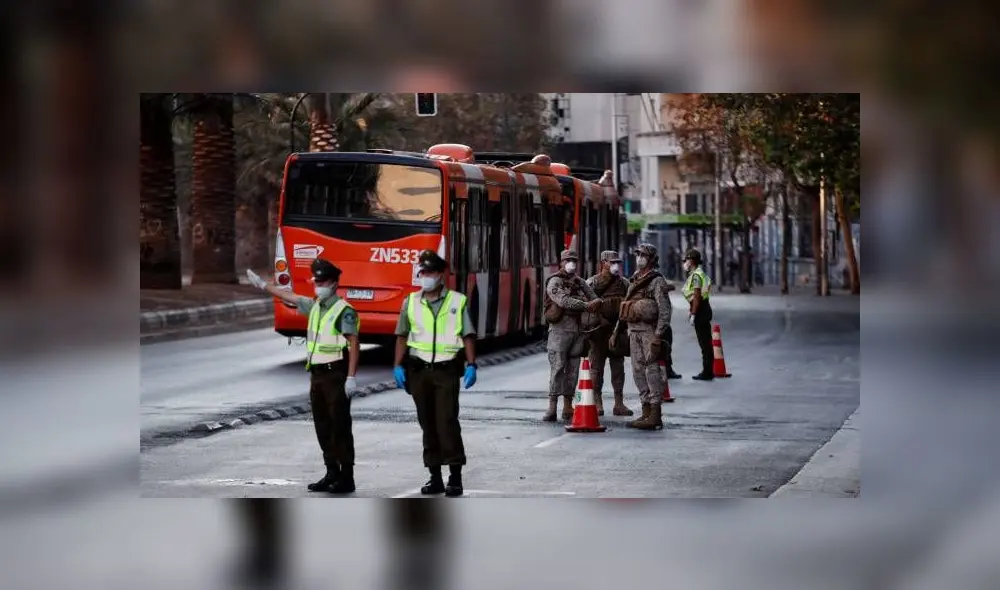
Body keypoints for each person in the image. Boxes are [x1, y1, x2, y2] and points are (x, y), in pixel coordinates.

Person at [245, 259, 361, 494]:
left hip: (335, 373)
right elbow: (292, 297)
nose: (319, 285)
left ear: (335, 283)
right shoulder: (315, 306)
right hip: (317, 375)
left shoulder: (344, 310)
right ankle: (331, 472)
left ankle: (346, 477)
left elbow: (354, 343)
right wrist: (263, 286)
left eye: (324, 281)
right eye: (317, 281)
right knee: (322, 425)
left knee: (339, 426)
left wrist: (351, 377)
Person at [393, 250, 478, 497]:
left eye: (430, 272)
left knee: (447, 422)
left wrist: (472, 364)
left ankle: (455, 477)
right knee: (427, 424)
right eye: (423, 272)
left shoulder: (456, 301)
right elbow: (401, 336)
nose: (426, 277)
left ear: (440, 275)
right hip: (418, 370)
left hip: (446, 370)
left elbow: (468, 335)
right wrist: (398, 365)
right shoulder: (410, 302)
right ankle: (434, 477)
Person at [619, 243, 675, 430]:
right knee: (637, 372)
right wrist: (617, 331)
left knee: (652, 371)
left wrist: (658, 336)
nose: (639, 258)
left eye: (643, 255)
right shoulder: (635, 278)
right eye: (638, 254)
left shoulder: (656, 281)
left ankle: (655, 413)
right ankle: (645, 412)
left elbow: (665, 310)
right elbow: (626, 304)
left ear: (651, 259)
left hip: (649, 331)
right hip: (633, 330)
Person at [543, 249, 602, 422]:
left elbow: (595, 299)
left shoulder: (580, 282)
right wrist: (586, 305)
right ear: (561, 262)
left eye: (574, 260)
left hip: (578, 331)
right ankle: (552, 406)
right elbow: (563, 301)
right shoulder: (554, 281)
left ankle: (568, 405)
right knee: (558, 368)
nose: (572, 263)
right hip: (559, 331)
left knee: (573, 370)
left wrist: (596, 303)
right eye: (568, 260)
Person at [585, 250, 632, 416]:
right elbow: (586, 307)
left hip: (617, 331)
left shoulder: (624, 283)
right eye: (611, 262)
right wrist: (598, 320)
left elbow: (629, 304)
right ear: (603, 263)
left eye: (617, 262)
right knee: (596, 369)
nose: (615, 265)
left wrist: (622, 326)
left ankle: (619, 403)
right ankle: (597, 402)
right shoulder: (592, 283)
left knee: (618, 368)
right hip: (598, 332)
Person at [682, 248, 716, 380]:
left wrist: (693, 313)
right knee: (706, 342)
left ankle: (707, 372)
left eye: (687, 260)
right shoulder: (699, 273)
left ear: (692, 261)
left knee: (704, 344)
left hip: (700, 310)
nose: (685, 263)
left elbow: (697, 296)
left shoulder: (696, 276)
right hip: (704, 308)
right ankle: (708, 370)